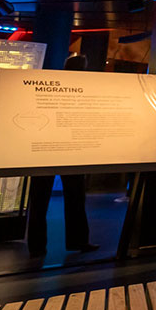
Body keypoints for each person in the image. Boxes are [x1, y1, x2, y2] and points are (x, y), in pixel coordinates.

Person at [26, 53, 97, 258]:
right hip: (68, 151)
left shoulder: (50, 85)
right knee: (74, 198)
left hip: (44, 150)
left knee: (40, 200)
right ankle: (78, 242)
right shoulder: (81, 91)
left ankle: (37, 247)